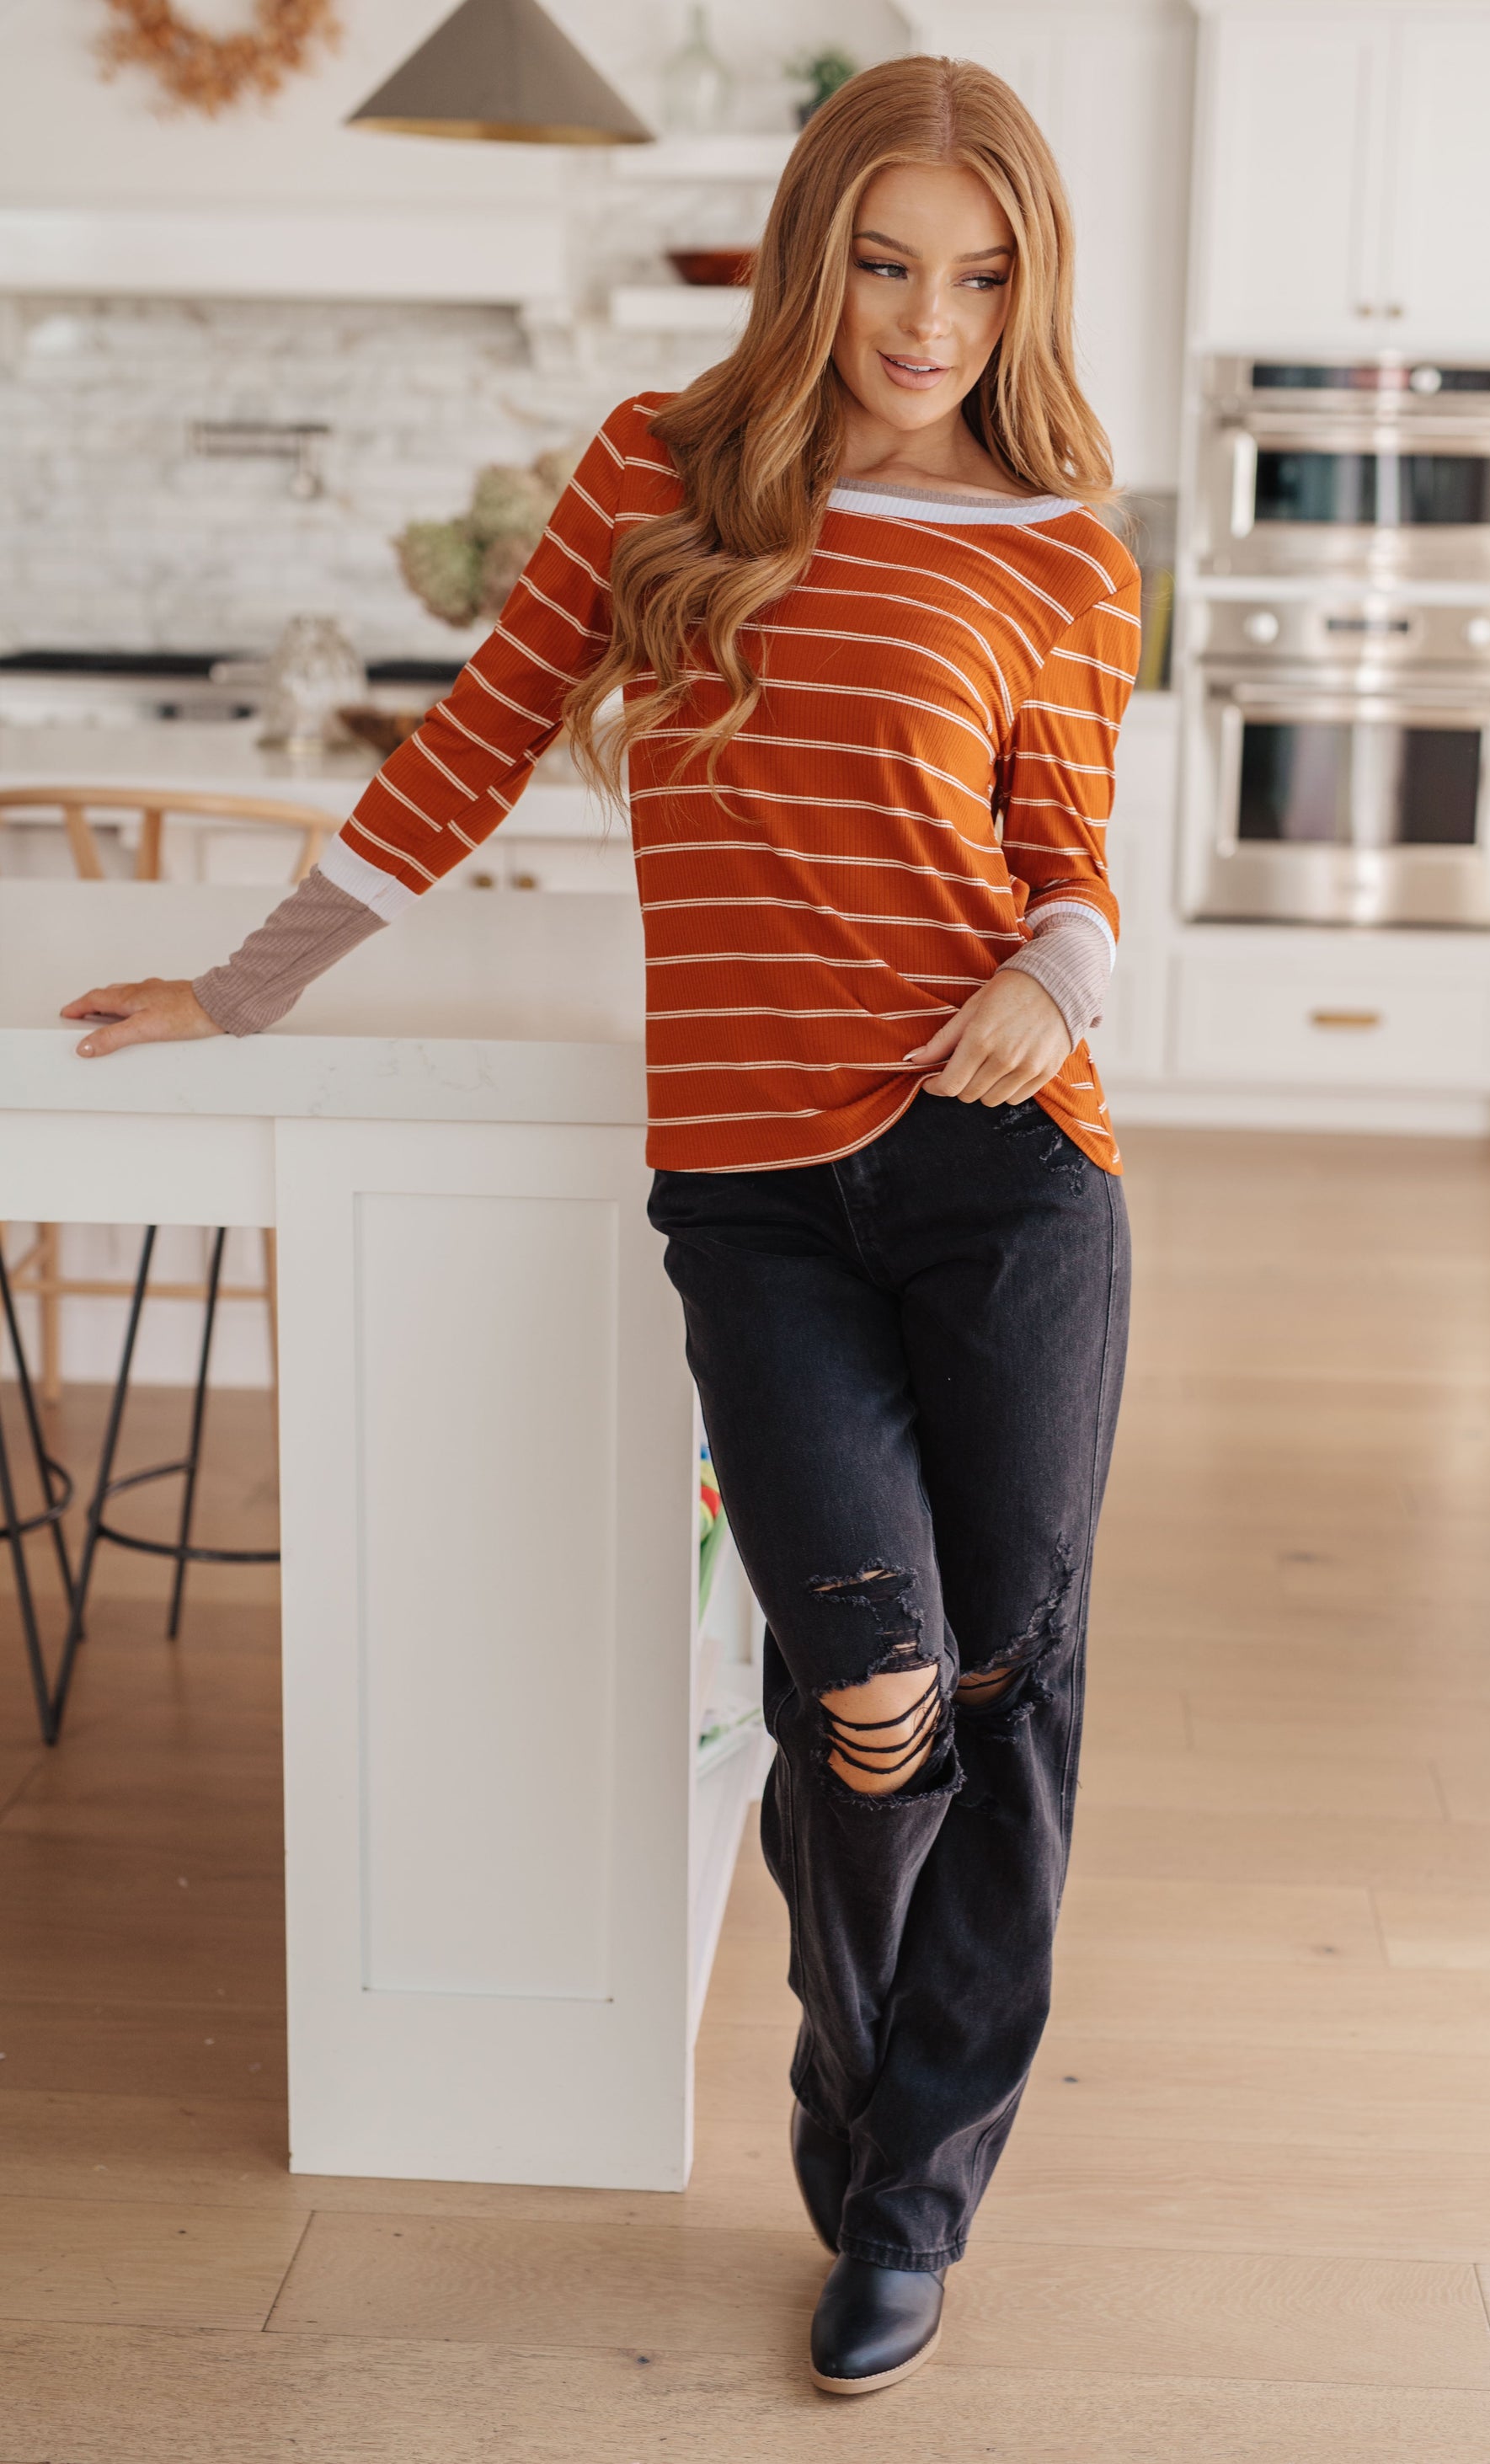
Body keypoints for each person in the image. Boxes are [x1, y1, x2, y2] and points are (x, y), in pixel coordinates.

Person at [64, 53, 1138, 2398]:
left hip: (1003, 1175)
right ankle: (850, 2089)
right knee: (859, 1687)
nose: (924, 320)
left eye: (973, 276)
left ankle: (909, 2195)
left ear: (1019, 285)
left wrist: (1037, 984)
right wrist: (249, 983)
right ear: (809, 251)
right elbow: (470, 745)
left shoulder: (1057, 543)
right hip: (753, 1195)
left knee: (997, 1686)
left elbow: (1072, 866)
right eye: (882, 263)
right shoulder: (662, 470)